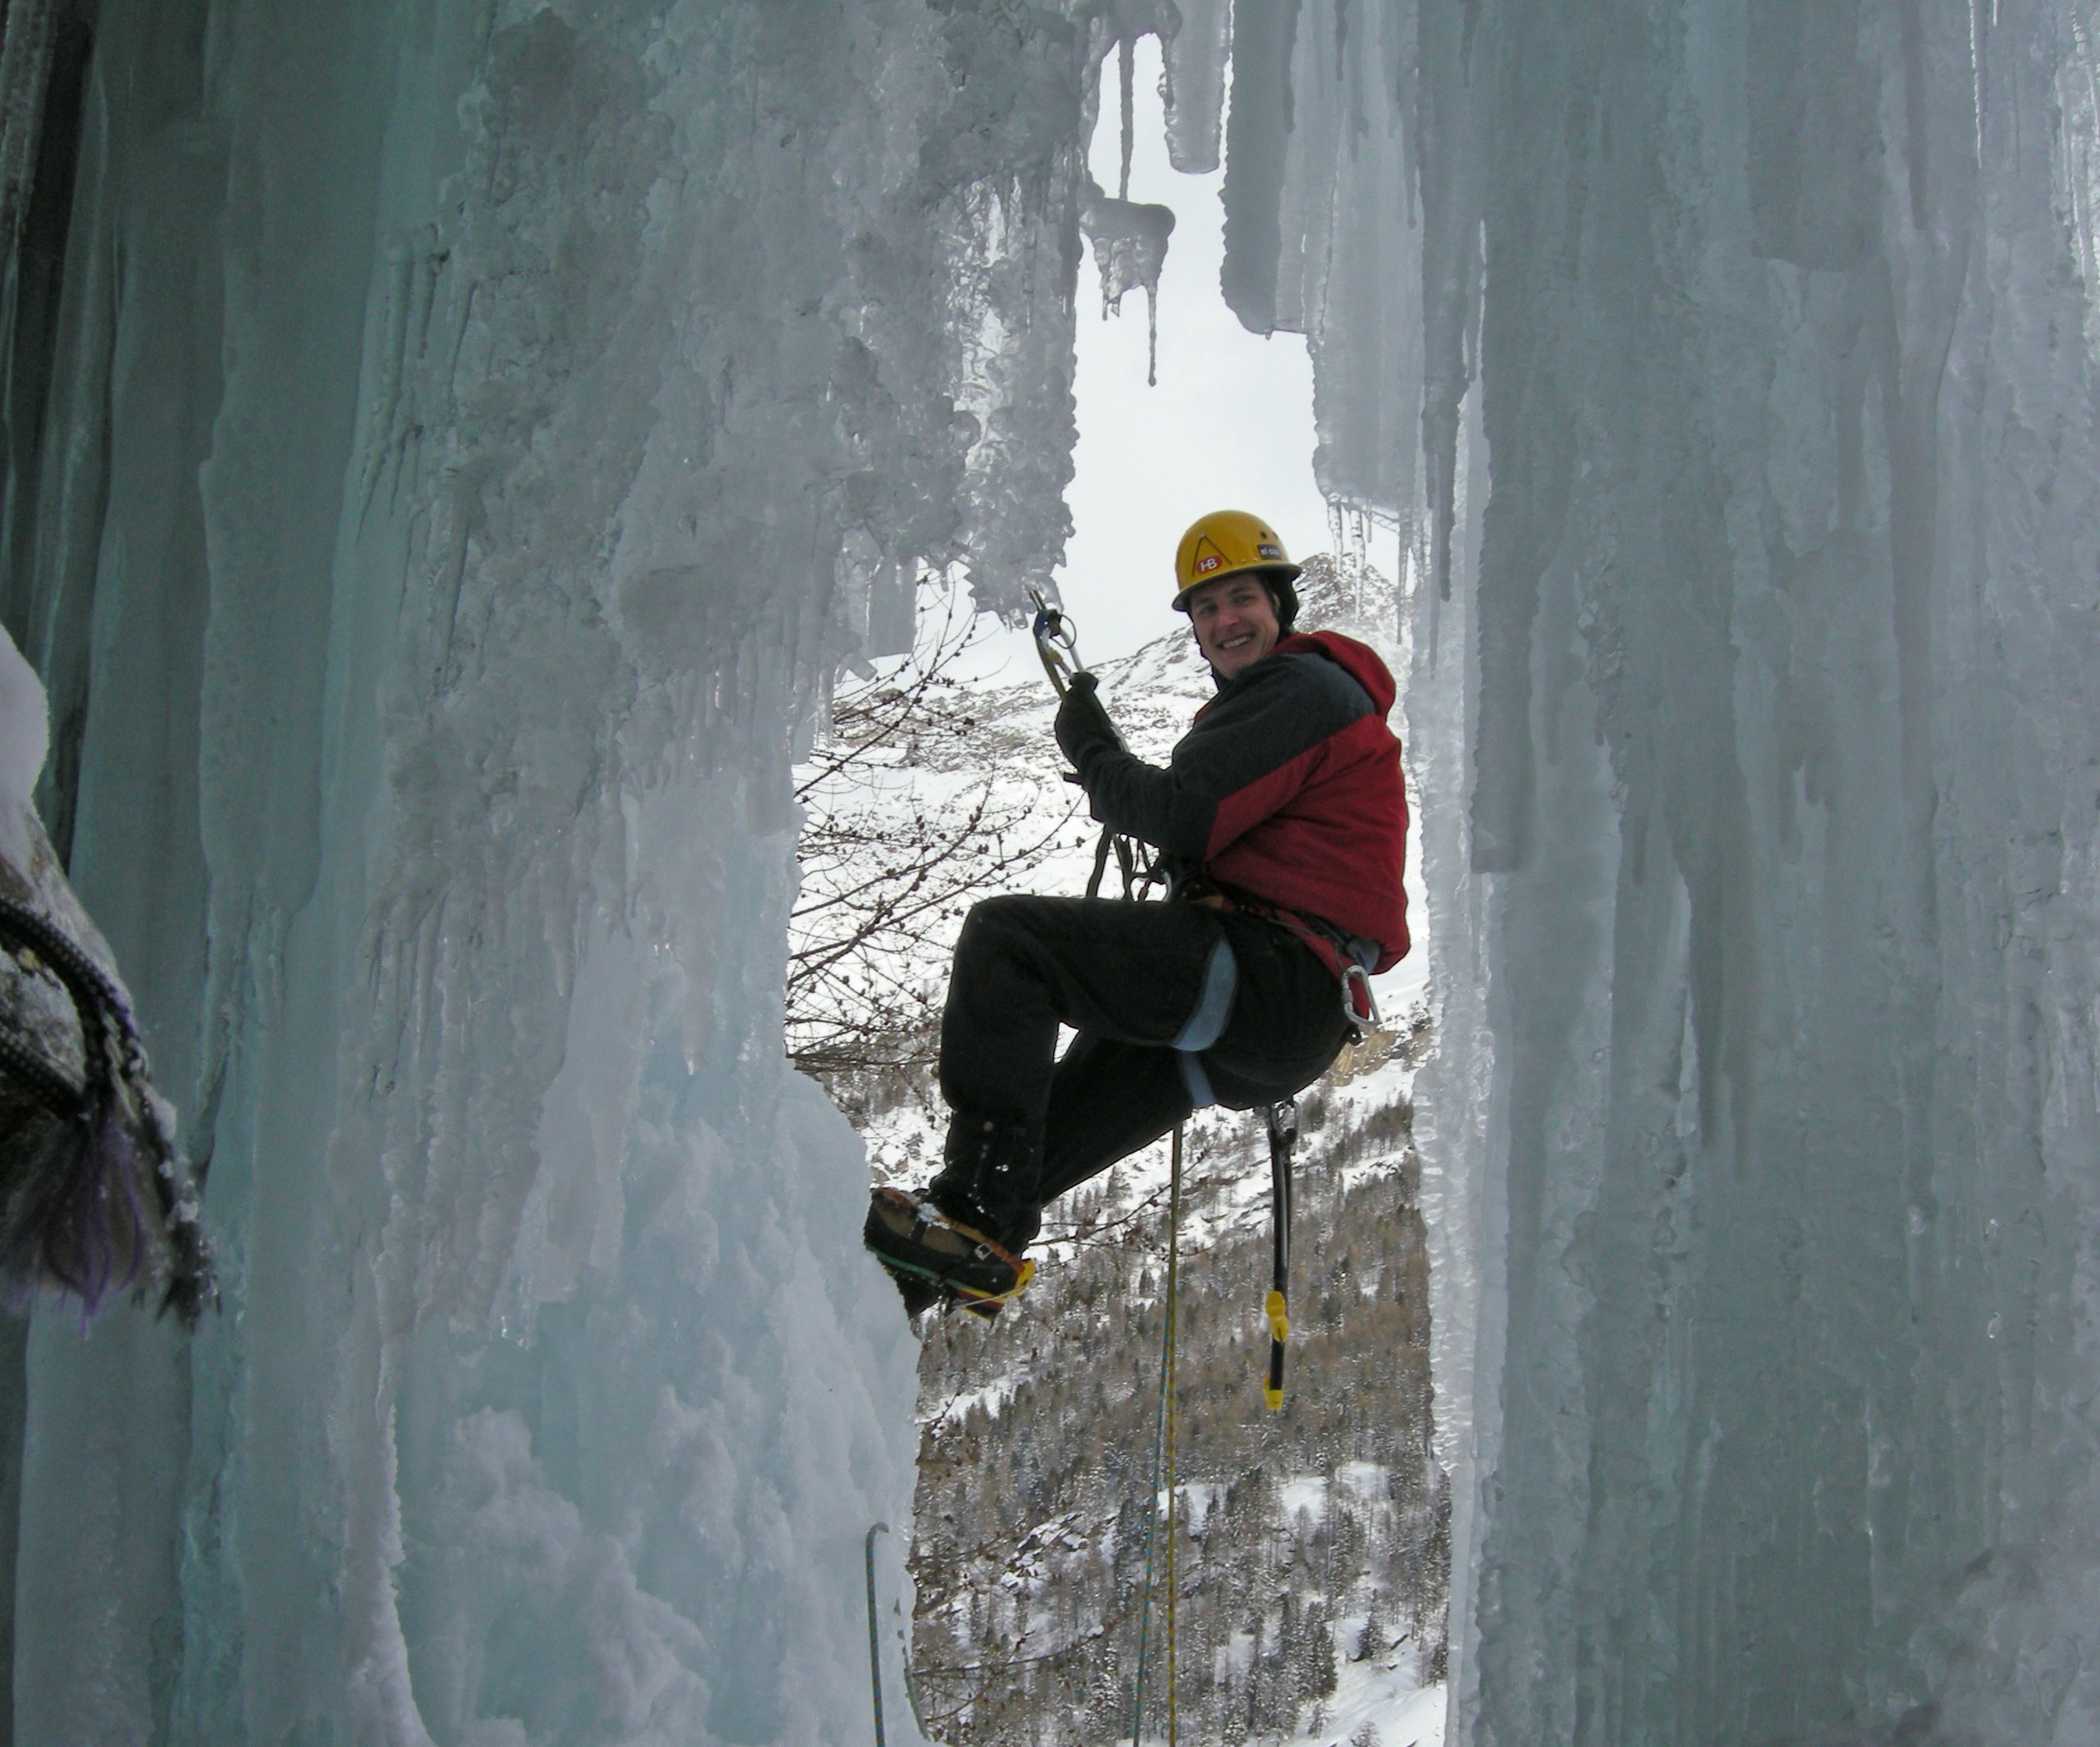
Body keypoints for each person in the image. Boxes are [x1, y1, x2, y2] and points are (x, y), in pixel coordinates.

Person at [864, 510, 1410, 1317]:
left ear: (1278, 605)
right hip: (1279, 1015)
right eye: (1206, 608)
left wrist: (1089, 747)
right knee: (1037, 1142)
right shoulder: (1285, 708)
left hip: (1272, 974)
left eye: (1240, 599)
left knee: (1008, 940)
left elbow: (1181, 809)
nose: (1225, 620)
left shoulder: (1305, 686)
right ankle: (951, 1254)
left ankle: (975, 1204)